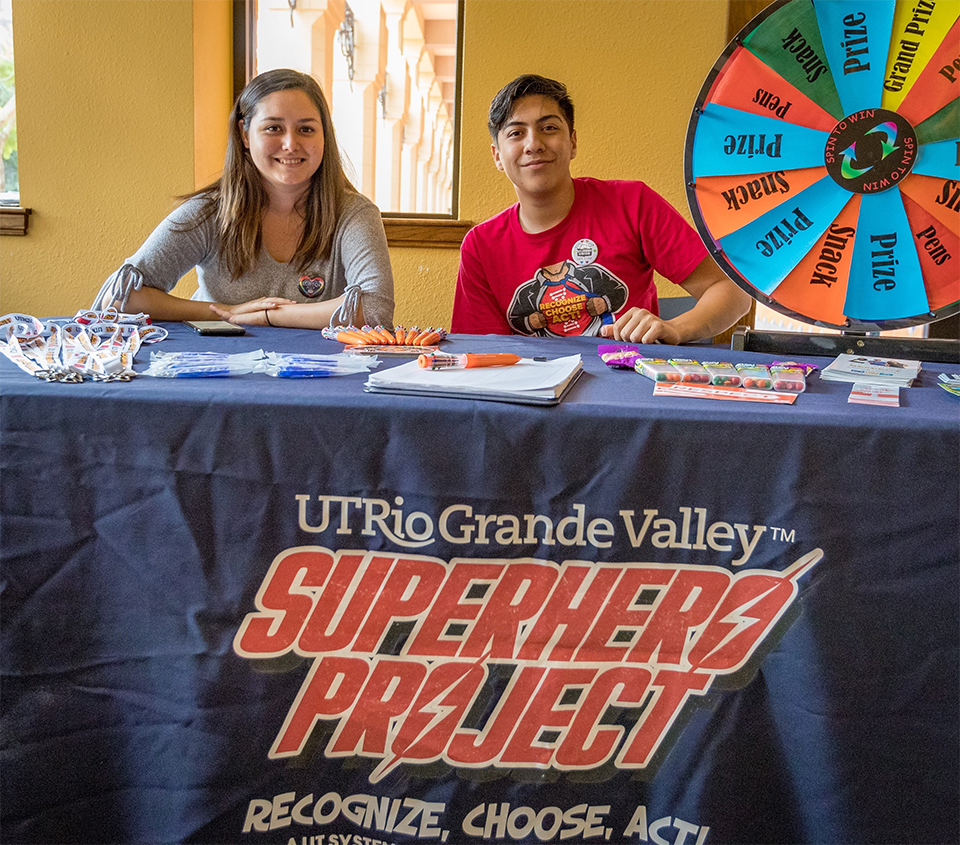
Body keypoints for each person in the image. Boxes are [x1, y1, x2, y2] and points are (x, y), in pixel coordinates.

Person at [451, 74, 751, 344]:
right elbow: (482, 353)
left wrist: (676, 328)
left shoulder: (632, 203)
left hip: (628, 390)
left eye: (549, 128)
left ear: (572, 142)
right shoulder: (481, 246)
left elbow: (732, 291)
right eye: (516, 133)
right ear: (497, 156)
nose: (534, 144)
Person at [94, 69, 394, 329]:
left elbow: (374, 310)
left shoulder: (355, 214)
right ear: (245, 134)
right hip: (215, 375)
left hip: (319, 379)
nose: (291, 144)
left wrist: (269, 316)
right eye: (273, 128)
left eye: (306, 129)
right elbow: (119, 297)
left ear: (324, 136)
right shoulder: (209, 211)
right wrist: (226, 313)